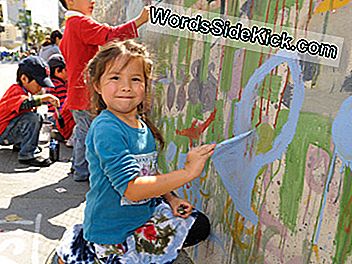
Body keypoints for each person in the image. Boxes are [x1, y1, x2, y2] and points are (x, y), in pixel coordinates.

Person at [56, 40, 215, 263]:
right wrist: (188, 173)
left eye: (136, 79)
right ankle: (80, 250)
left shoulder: (141, 125)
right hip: (110, 233)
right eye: (115, 77)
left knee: (198, 224)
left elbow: (149, 172)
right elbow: (131, 189)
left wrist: (171, 198)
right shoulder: (106, 129)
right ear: (98, 85)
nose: (126, 86)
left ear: (146, 86)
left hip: (141, 219)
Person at [59, 0, 150, 181]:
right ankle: (82, 172)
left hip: (78, 94)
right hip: (85, 94)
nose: (92, 1)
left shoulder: (71, 25)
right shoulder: (80, 23)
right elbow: (110, 36)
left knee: (83, 132)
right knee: (90, 134)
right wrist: (140, 20)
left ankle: (78, 168)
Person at [0, 56, 60, 167]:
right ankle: (27, 155)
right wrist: (44, 98)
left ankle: (21, 144)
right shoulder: (15, 90)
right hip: (3, 132)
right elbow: (25, 103)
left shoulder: (27, 92)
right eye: (38, 84)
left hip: (8, 130)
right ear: (24, 79)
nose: (40, 89)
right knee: (34, 118)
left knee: (34, 116)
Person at [46, 54, 76, 142]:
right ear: (58, 71)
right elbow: (64, 107)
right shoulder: (58, 85)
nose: (68, 73)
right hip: (57, 117)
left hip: (52, 116)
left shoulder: (52, 83)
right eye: (66, 70)